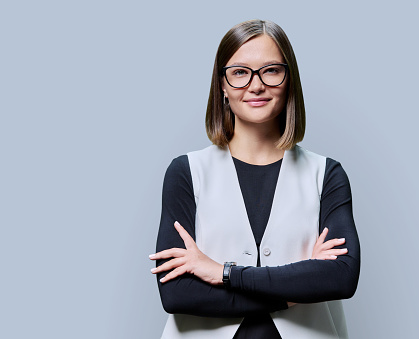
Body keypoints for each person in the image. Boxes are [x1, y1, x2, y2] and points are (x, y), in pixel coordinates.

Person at [149, 19, 360, 339]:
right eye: (239, 72)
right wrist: (294, 290)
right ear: (221, 84)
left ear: (289, 80)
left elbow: (340, 278)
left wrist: (222, 272)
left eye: (271, 70)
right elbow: (177, 294)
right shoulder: (186, 173)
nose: (256, 85)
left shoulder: (327, 175)